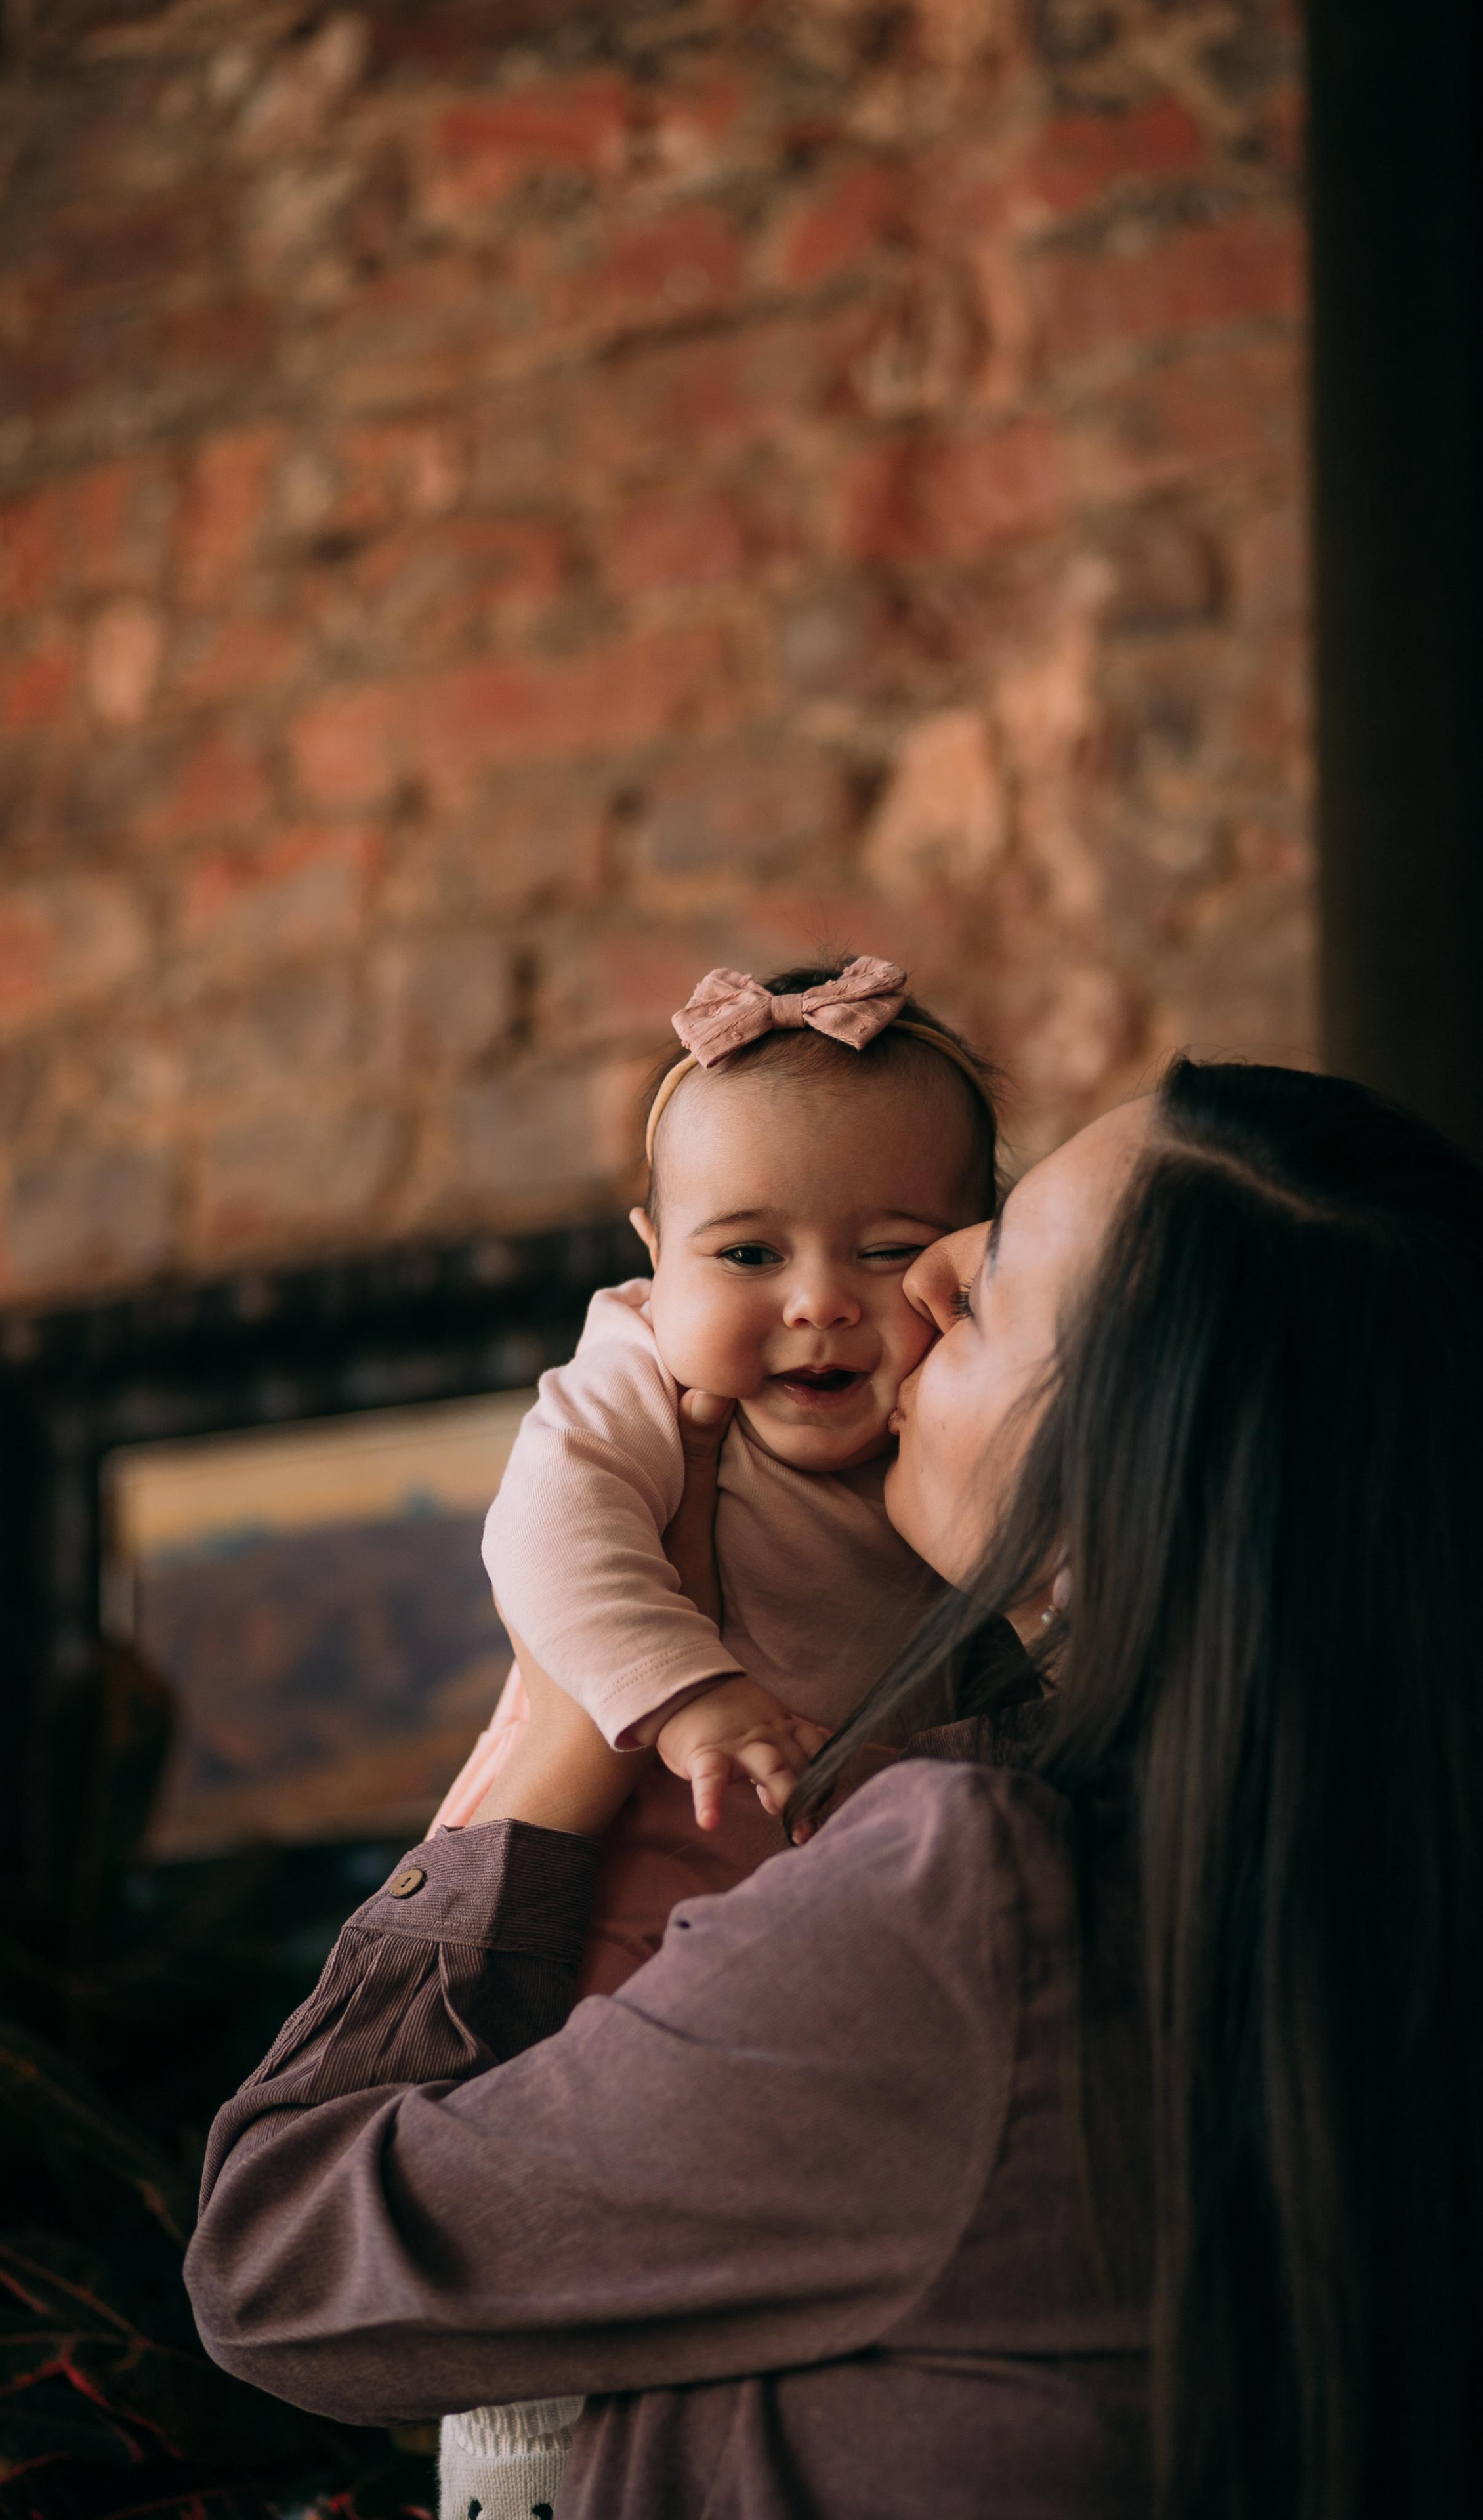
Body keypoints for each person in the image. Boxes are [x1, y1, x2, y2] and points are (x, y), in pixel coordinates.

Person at [186, 1058, 1483, 2520]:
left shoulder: (980, 1918)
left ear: (1127, 1494)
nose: (919, 1281)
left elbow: (282, 2264)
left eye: (988, 1276)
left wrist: (568, 1718)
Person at [425, 954, 1001, 2510]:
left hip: (837, 1889)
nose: (817, 1301)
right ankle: (512, 2465)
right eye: (745, 1251)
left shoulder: (989, 1409)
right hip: (631, 1838)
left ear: (971, 1266)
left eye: (886, 1251)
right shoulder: (633, 1371)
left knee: (756, 2202)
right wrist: (683, 1688)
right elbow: (545, 1541)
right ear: (650, 1260)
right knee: (556, 2166)